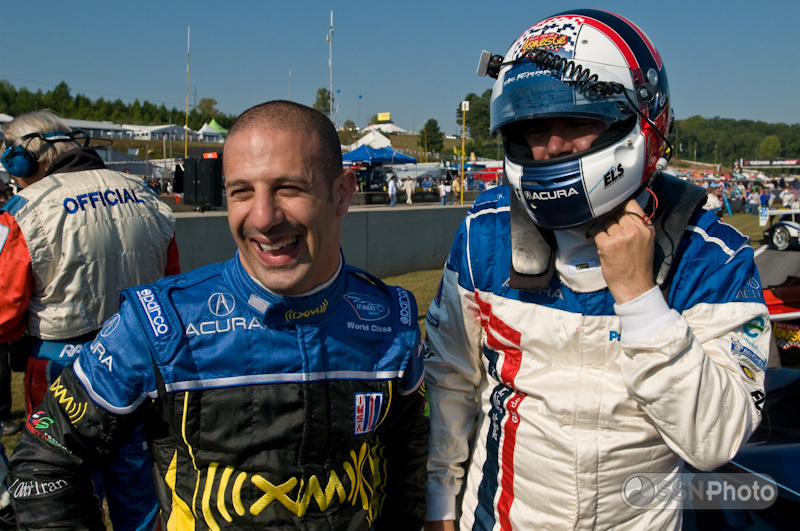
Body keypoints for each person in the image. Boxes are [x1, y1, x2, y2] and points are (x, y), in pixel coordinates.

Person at [9, 100, 429, 530]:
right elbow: (45, 462)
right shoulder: (158, 322)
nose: (263, 218)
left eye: (288, 188)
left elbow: (411, 451)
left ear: (341, 193)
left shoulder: (391, 318)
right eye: (241, 191)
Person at [423, 10, 769, 530]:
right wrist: (439, 505)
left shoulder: (710, 255)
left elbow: (714, 441)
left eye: (579, 123)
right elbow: (449, 382)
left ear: (644, 120)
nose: (553, 146)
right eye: (534, 127)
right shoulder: (485, 231)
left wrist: (640, 300)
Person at [1, 110, 180, 530]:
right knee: (140, 490)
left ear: (27, 156)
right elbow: (170, 283)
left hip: (60, 368)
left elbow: (5, 314)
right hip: (140, 361)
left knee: (65, 489)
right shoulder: (146, 195)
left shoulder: (25, 210)